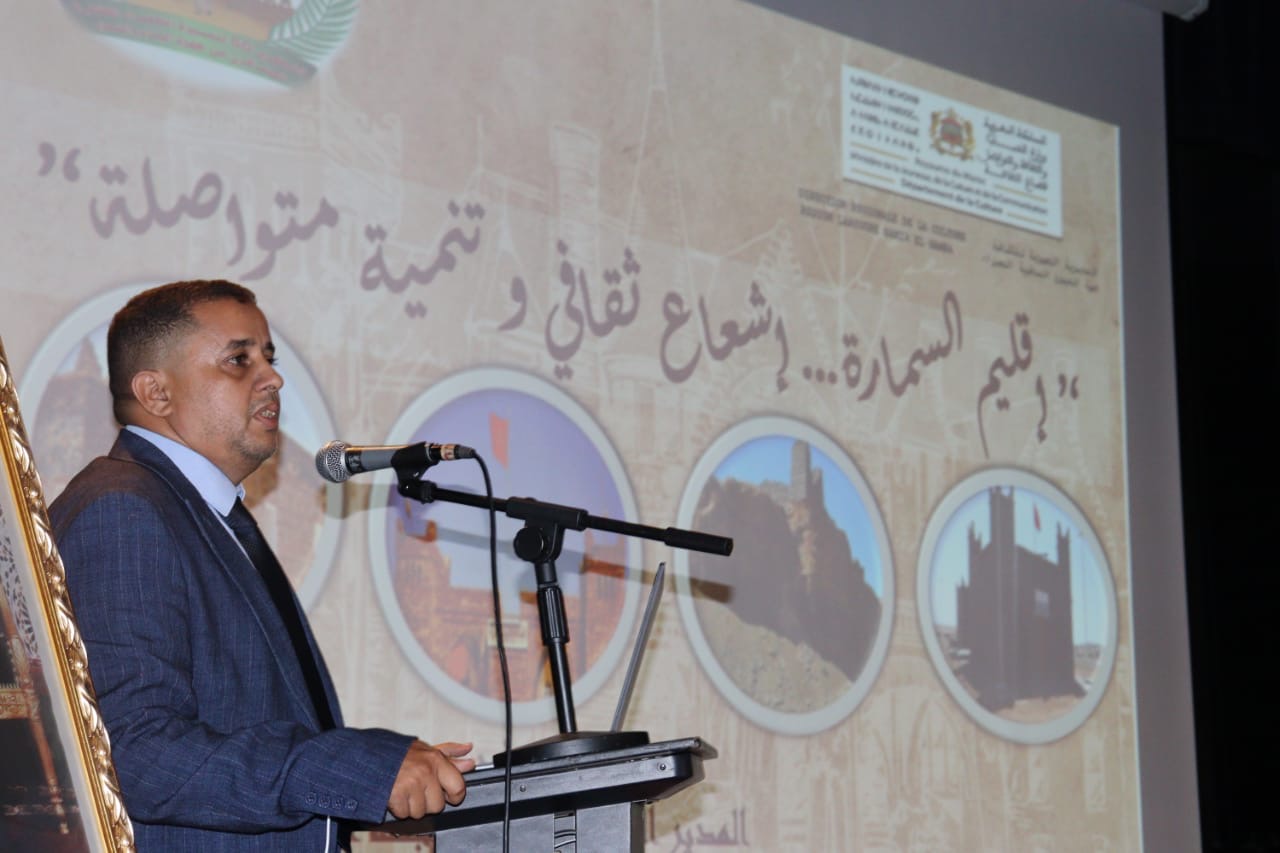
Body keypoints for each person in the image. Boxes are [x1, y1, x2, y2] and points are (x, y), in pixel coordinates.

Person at [49, 279, 475, 850]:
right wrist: (351, 770)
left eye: (269, 358)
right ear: (156, 392)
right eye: (239, 360)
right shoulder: (124, 510)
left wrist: (379, 782)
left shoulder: (203, 514)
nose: (272, 378)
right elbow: (133, 750)